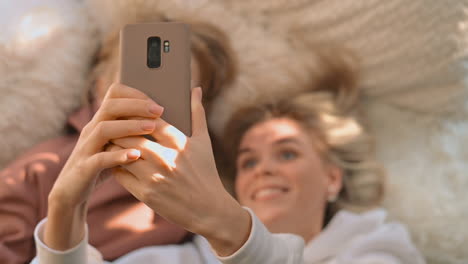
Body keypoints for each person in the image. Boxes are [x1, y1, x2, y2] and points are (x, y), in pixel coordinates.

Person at [31, 49, 426, 263]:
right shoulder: (177, 259)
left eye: (287, 153)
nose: (264, 169)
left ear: (332, 178)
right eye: (249, 161)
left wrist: (228, 227)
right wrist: (64, 213)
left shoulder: (376, 250)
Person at [0, 15, 237, 264]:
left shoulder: (210, 175)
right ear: (100, 88)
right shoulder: (43, 165)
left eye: (174, 89)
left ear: (199, 107)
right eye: (134, 81)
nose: (150, 100)